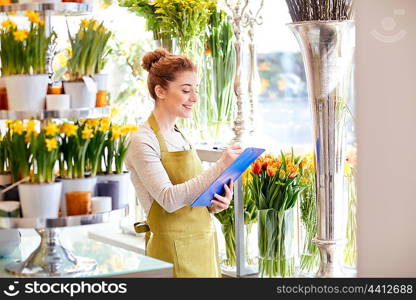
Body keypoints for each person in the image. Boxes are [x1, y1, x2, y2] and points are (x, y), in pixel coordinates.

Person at [125, 48, 243, 278]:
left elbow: (191, 193)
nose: (195, 98)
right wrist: (221, 165)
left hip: (203, 247)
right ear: (160, 91)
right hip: (171, 253)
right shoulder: (142, 140)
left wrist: (213, 203)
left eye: (195, 90)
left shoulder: (180, 135)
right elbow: (169, 200)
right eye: (186, 90)